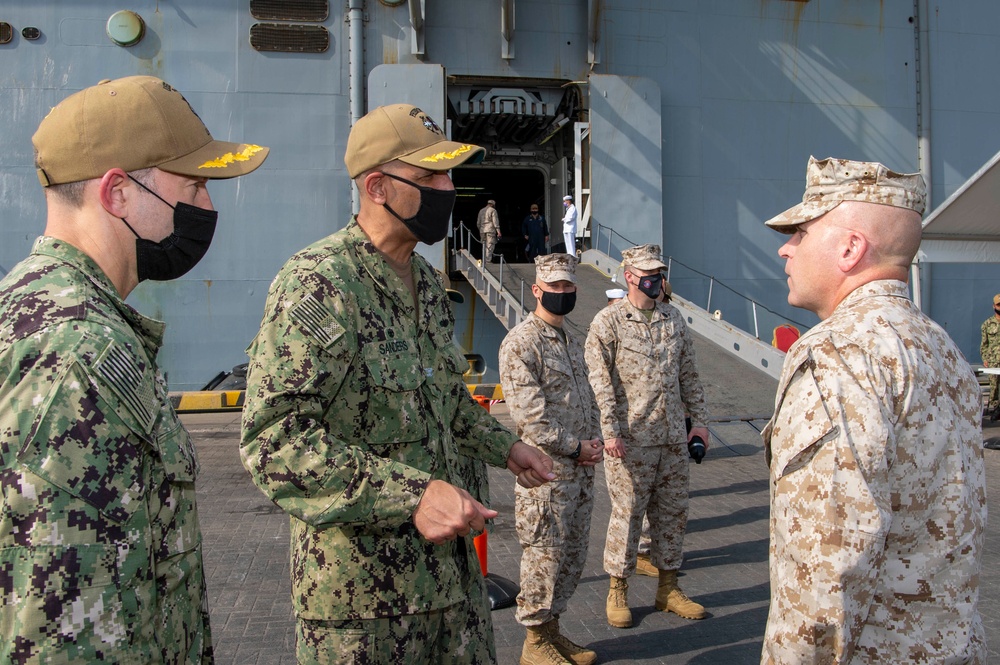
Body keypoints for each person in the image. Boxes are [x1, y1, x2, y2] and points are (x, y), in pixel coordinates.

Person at [239, 103, 555, 665]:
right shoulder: (318, 283)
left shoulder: (430, 287)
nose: (448, 188)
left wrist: (505, 447)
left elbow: (447, 402)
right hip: (363, 608)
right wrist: (411, 495)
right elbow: (274, 442)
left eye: (449, 174)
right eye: (432, 176)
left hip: (453, 593)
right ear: (378, 186)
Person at [0, 75, 268, 663]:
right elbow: (60, 629)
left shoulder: (41, 309)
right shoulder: (77, 352)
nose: (207, 207)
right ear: (117, 194)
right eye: (194, 186)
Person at [760, 156, 986, 663]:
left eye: (801, 232)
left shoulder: (838, 354)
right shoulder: (943, 349)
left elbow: (825, 568)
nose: (785, 247)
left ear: (849, 248)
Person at [585, 244, 710, 629]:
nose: (655, 280)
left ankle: (668, 589)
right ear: (630, 276)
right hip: (630, 439)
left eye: (659, 272)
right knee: (627, 516)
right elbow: (599, 382)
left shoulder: (674, 319)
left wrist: (699, 422)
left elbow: (688, 373)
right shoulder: (609, 323)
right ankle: (617, 589)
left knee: (672, 514)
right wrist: (610, 433)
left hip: (672, 436)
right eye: (648, 274)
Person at [499, 254, 604, 665]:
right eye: (554, 286)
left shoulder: (572, 341)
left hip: (578, 473)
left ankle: (552, 631)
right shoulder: (521, 343)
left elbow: (588, 399)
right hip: (546, 477)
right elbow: (531, 418)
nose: (562, 293)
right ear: (537, 289)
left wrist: (593, 440)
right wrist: (578, 448)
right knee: (544, 558)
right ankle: (535, 644)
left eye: (568, 287)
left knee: (572, 559)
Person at [980, 293, 1000, 420]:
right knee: (994, 386)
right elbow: (984, 344)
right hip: (994, 361)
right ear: (994, 306)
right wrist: (985, 359)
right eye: (999, 305)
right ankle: (994, 409)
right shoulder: (987, 324)